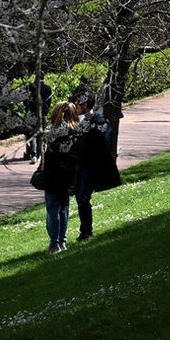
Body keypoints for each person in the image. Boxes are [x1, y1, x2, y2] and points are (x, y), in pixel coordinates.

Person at [72, 98, 121, 242]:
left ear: (85, 105)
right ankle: (85, 231)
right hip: (80, 165)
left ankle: (87, 232)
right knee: (79, 197)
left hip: (91, 166)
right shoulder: (79, 121)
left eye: (78, 104)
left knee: (83, 197)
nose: (75, 107)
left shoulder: (98, 121)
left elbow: (104, 141)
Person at [40, 102, 82, 252]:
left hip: (53, 173)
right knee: (63, 208)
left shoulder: (51, 130)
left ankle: (54, 243)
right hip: (69, 173)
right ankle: (62, 241)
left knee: (53, 209)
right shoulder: (77, 130)